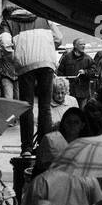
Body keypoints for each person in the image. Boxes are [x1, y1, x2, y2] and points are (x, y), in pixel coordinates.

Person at [14, 14, 62, 154]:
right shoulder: (44, 16)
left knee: (26, 106)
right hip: (46, 62)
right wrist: (47, 47)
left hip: (26, 64)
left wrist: (16, 58)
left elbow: (4, 43)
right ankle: (43, 146)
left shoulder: (10, 19)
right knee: (45, 106)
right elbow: (58, 38)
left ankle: (27, 147)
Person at [57, 38, 94, 104]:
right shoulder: (66, 57)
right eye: (81, 44)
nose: (83, 46)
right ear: (75, 46)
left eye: (84, 44)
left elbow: (94, 72)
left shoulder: (88, 59)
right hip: (69, 92)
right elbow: (60, 72)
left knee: (81, 112)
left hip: (83, 93)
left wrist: (85, 72)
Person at [0, 29, 17, 100]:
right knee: (8, 98)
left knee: (18, 99)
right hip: (6, 77)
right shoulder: (1, 52)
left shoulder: (18, 50)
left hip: (18, 77)